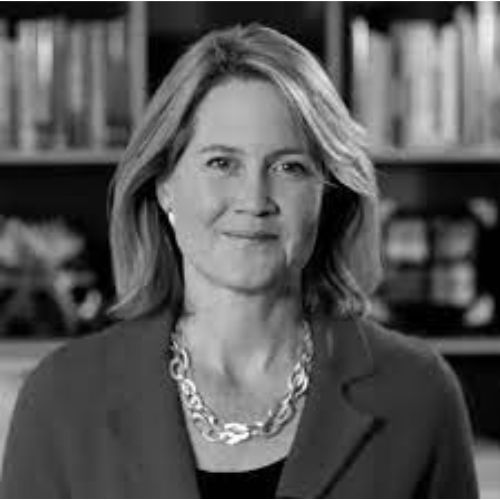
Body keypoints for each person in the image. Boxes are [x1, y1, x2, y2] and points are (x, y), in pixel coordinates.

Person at [1, 24, 478, 499]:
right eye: (222, 163)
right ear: (164, 185)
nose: (254, 200)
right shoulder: (62, 399)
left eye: (289, 167)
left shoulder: (418, 393)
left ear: (328, 194)